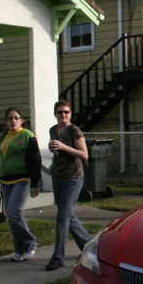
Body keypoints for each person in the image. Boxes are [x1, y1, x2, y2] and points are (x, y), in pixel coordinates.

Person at [46, 100, 90, 272]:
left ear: (70, 113)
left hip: (73, 177)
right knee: (68, 215)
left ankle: (57, 258)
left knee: (62, 218)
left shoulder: (74, 131)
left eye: (66, 112)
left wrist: (64, 147)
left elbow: (84, 154)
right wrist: (54, 149)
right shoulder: (53, 130)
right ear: (55, 114)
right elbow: (57, 150)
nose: (63, 115)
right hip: (58, 176)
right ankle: (89, 247)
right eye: (59, 112)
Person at [0, 108, 42, 262]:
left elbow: (35, 161)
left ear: (22, 120)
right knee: (10, 215)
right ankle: (19, 250)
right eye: (10, 118)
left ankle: (30, 242)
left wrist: (35, 183)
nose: (13, 121)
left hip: (22, 180)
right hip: (6, 180)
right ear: (6, 121)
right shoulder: (5, 136)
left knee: (14, 212)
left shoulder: (27, 136)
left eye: (16, 118)